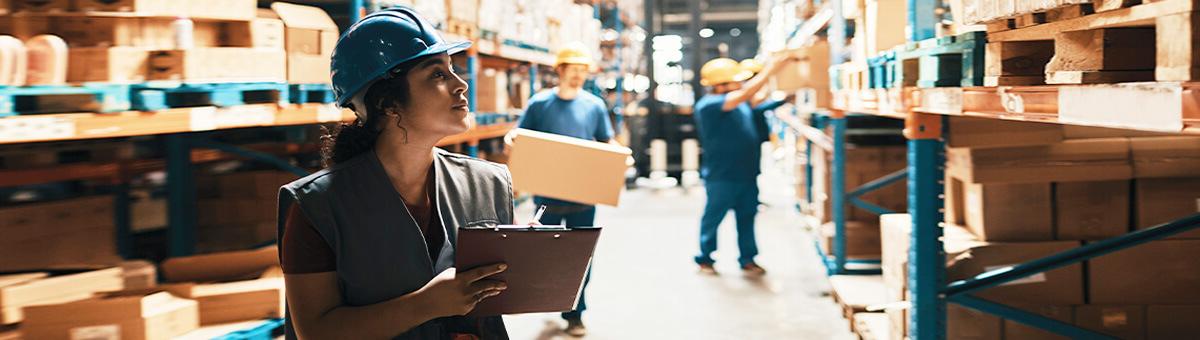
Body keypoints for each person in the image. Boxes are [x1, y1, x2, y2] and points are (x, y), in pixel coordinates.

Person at [277, 7, 513, 339]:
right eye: (437, 75)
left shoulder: (488, 184)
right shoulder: (318, 207)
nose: (461, 85)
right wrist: (427, 304)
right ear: (388, 102)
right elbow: (315, 332)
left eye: (453, 70)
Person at [503, 42, 619, 337]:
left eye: (583, 70)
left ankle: (575, 314)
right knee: (547, 256)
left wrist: (620, 156)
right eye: (573, 69)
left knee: (581, 256)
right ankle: (549, 301)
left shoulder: (593, 105)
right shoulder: (540, 104)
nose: (578, 75)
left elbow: (607, 141)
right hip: (548, 196)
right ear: (560, 71)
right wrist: (511, 138)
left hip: (583, 195)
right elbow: (521, 136)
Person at [692, 54, 797, 276]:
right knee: (713, 218)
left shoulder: (739, 104)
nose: (741, 84)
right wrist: (772, 69)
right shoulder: (709, 105)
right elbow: (747, 94)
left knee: (747, 217)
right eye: (736, 81)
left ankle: (748, 259)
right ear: (719, 85)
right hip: (722, 176)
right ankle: (705, 259)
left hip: (747, 174)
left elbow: (757, 102)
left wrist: (786, 96)